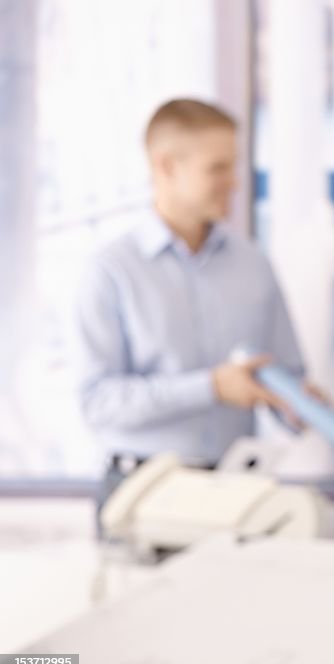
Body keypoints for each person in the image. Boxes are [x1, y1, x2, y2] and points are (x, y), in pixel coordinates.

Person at [71, 99, 311, 523]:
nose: (234, 183)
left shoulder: (253, 264)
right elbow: (97, 402)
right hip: (141, 494)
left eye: (233, 166)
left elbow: (286, 374)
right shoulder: (111, 271)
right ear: (166, 167)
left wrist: (298, 405)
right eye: (217, 169)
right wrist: (210, 388)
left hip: (236, 491)